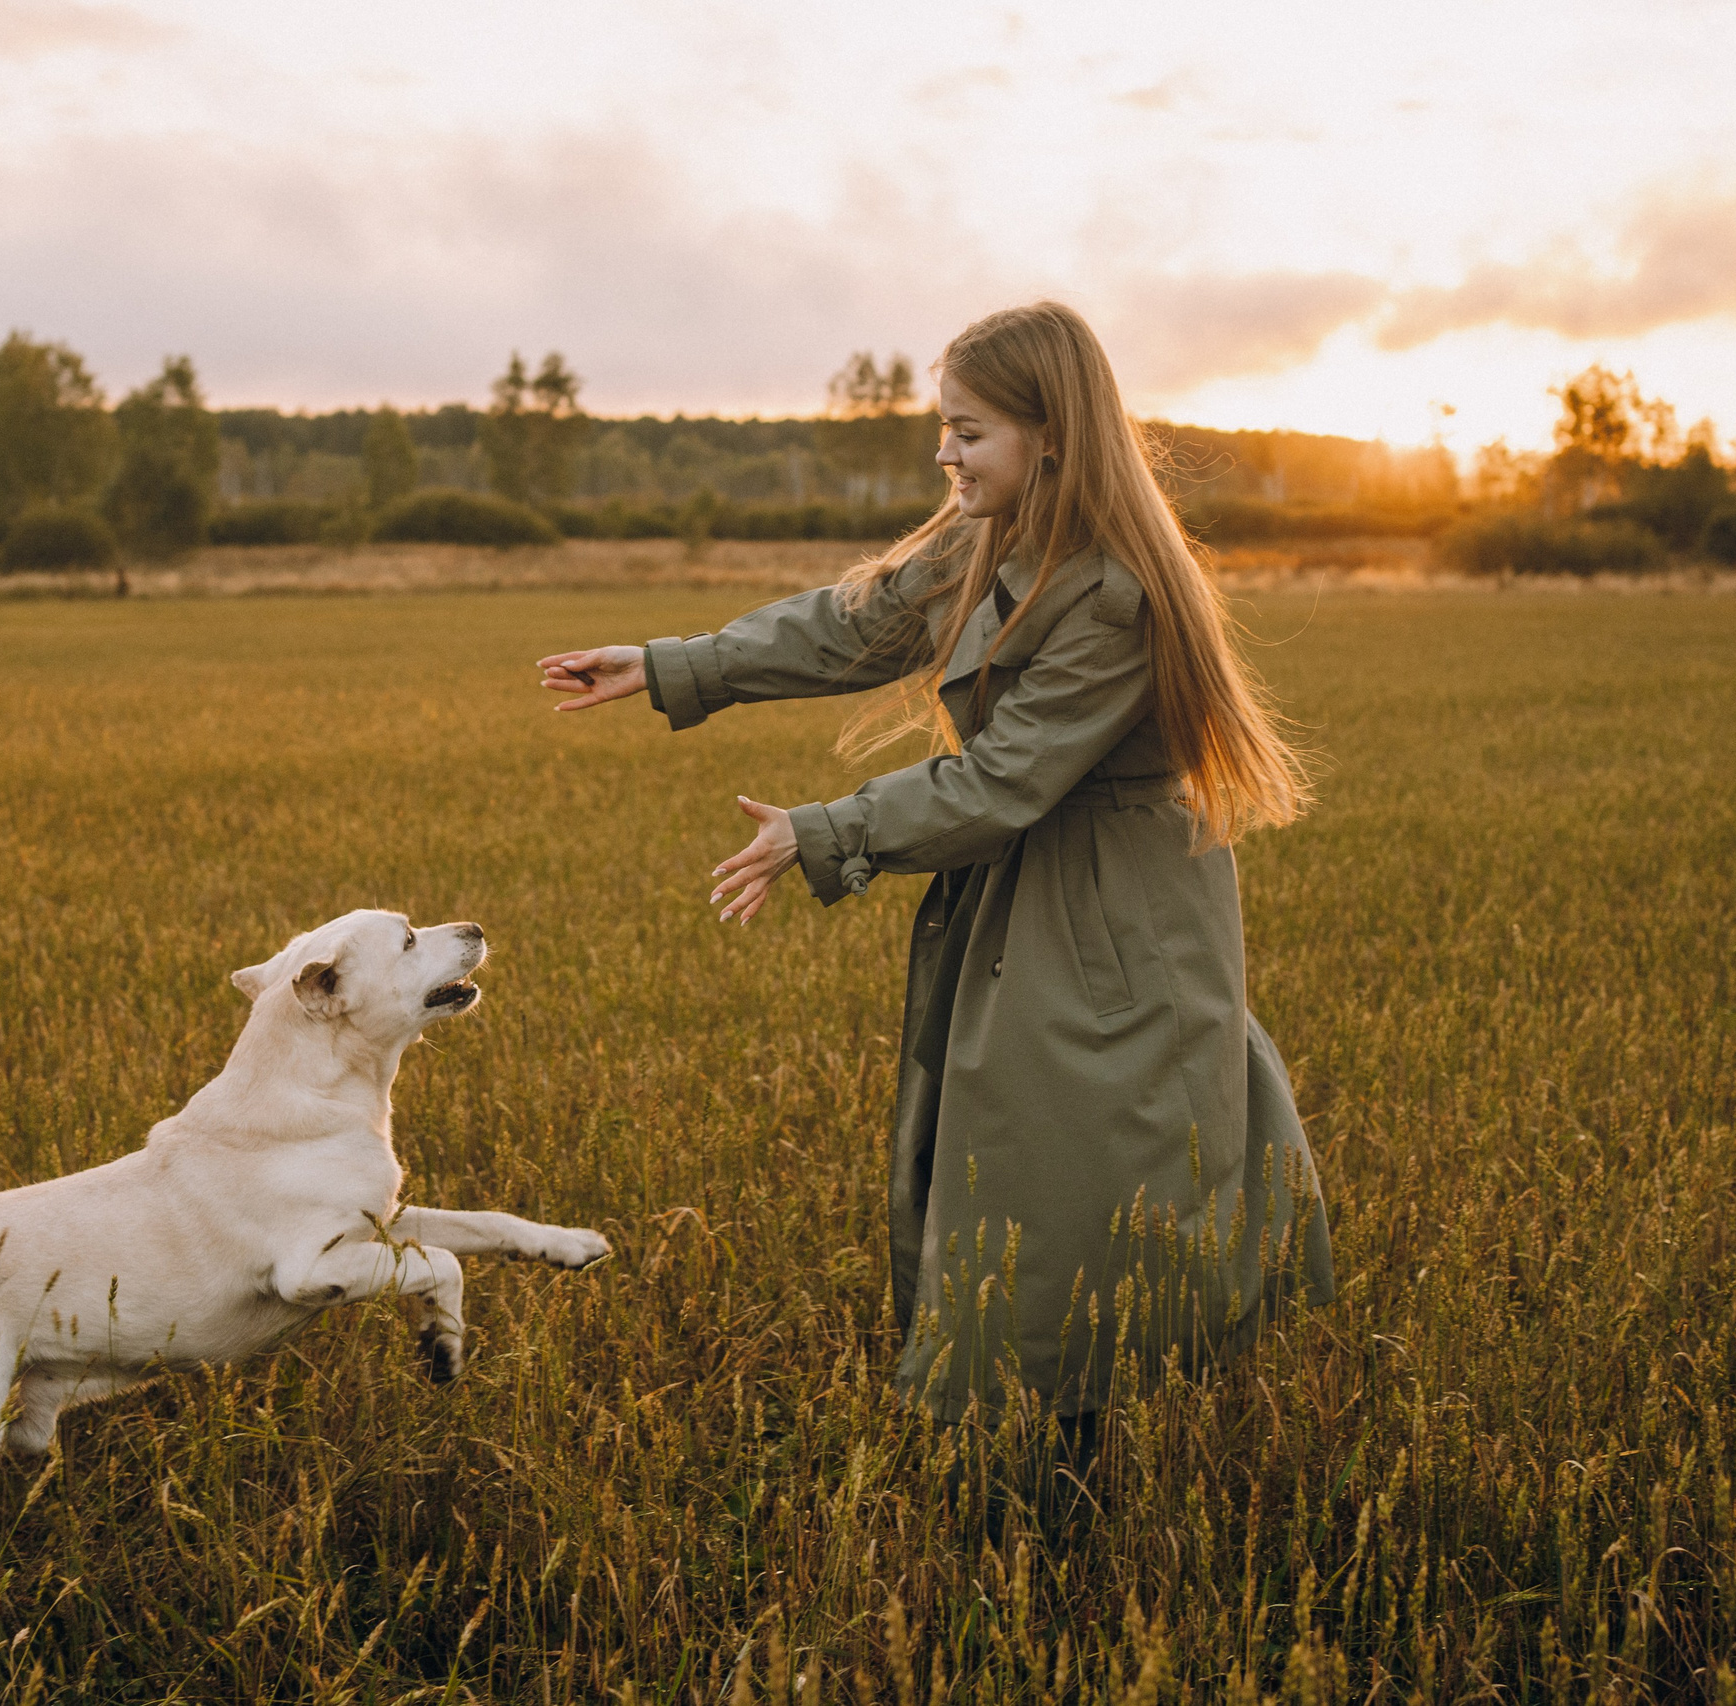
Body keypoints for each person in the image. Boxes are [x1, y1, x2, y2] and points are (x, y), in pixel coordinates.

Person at [536, 301, 1333, 1427]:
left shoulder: (1110, 592)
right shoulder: (993, 540)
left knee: (1093, 1159)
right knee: (1018, 1154)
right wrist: (674, 666)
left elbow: (1003, 781)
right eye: (943, 427)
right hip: (1033, 892)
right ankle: (1036, 1406)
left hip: (1110, 911)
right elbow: (847, 625)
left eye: (968, 431)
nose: (943, 453)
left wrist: (819, 832)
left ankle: (1090, 1419)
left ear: (1048, 433)